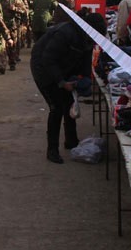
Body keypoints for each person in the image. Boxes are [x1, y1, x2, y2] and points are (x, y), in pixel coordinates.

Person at [31, 11, 107, 164]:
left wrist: (84, 78)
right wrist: (61, 82)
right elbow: (48, 59)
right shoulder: (65, 33)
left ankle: (71, 140)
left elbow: (86, 59)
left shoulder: (87, 37)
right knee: (57, 108)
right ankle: (52, 150)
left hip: (64, 66)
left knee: (69, 103)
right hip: (43, 67)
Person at [0, 0, 27, 72]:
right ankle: (1, 65)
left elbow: (24, 10)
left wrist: (15, 9)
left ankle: (12, 62)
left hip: (12, 26)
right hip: (0, 26)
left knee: (12, 45)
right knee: (1, 46)